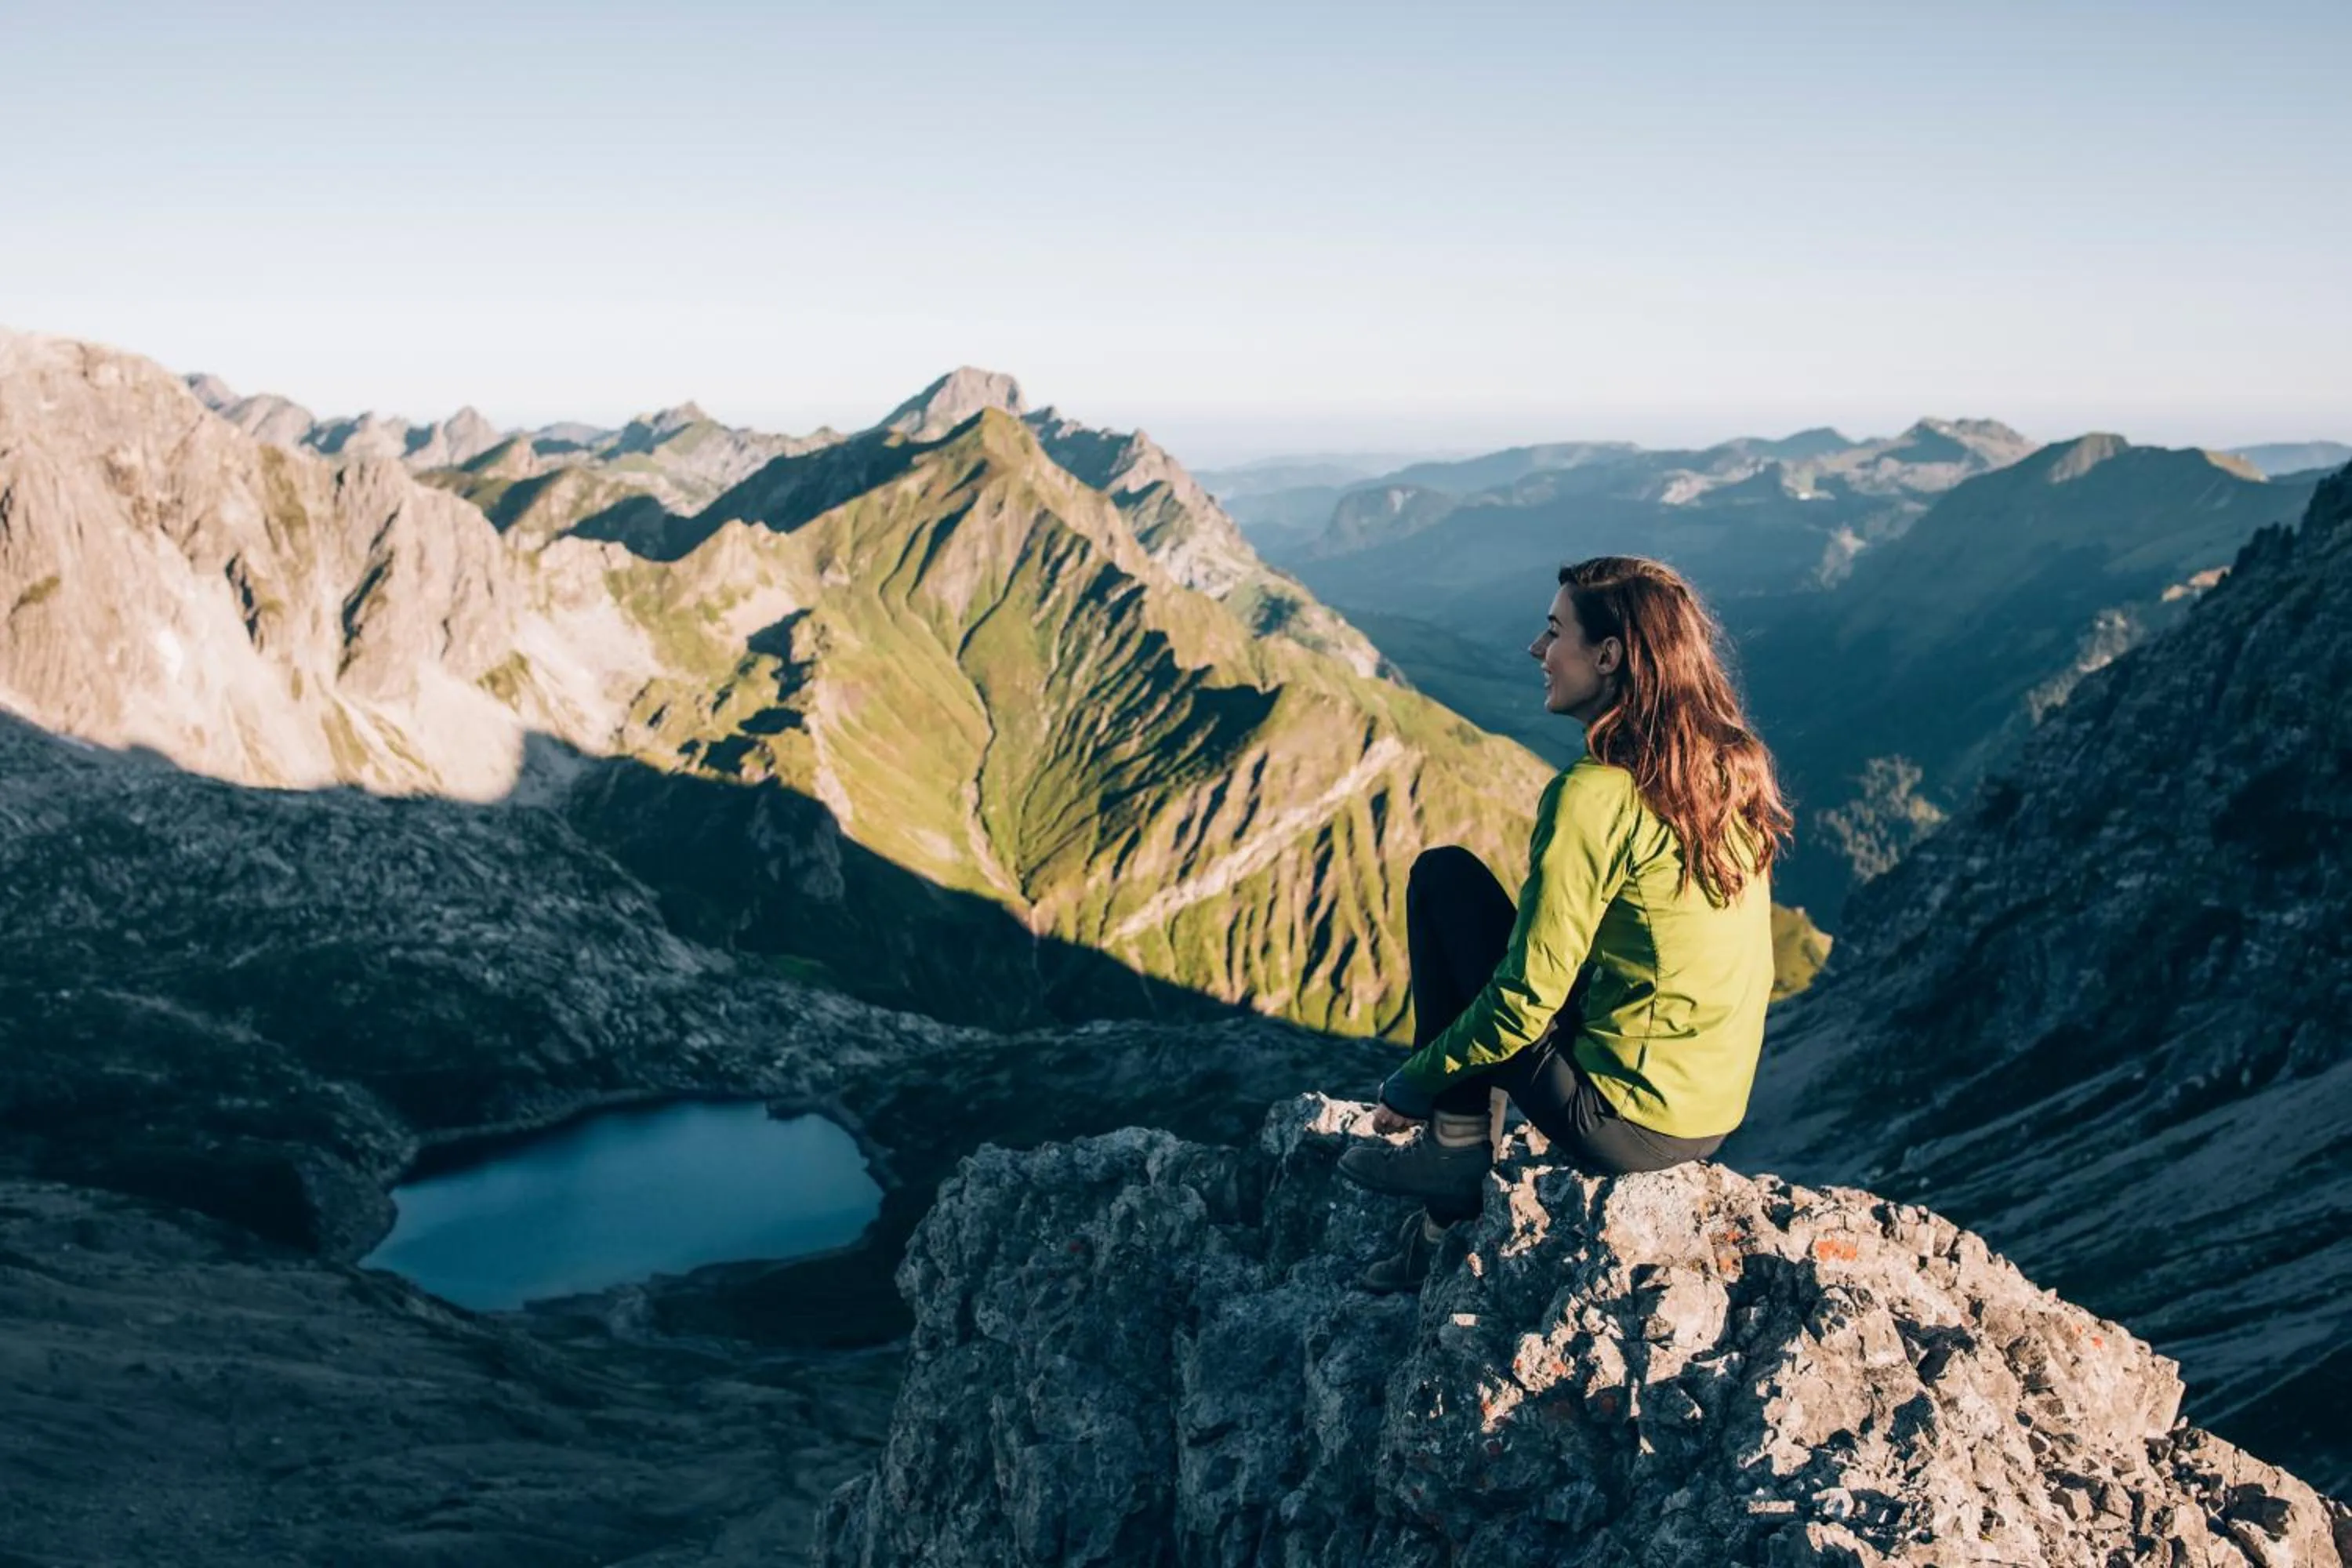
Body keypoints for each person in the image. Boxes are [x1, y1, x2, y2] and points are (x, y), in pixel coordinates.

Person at [1339, 555, 1793, 1292]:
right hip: (1706, 1111)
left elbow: (1522, 1004)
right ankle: (1450, 1185)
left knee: (1445, 883)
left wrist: (1411, 1085)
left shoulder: (1594, 794)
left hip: (1624, 1124)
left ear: (1608, 656)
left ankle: (1452, 1153)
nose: (1537, 649)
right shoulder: (1718, 768)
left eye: (1555, 632)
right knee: (1492, 921)